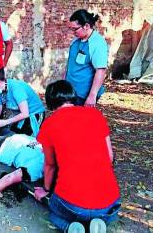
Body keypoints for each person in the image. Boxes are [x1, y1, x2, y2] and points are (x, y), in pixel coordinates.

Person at [34, 80, 121, 233]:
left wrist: (45, 190)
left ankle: (70, 228)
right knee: (103, 212)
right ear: (72, 96)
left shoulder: (49, 124)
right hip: (109, 204)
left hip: (72, 205)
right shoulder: (95, 114)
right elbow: (110, 157)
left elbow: (50, 165)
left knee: (54, 212)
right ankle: (98, 223)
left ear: (50, 101)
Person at [63, 9, 108, 107]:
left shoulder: (97, 43)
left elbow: (100, 71)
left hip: (83, 94)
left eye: (75, 29)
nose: (73, 32)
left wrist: (92, 95)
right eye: (71, 29)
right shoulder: (75, 41)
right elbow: (70, 66)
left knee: (81, 121)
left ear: (86, 26)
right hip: (70, 92)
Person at [0, 70, 45, 137]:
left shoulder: (16, 88)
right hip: (20, 115)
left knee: (26, 140)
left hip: (34, 114)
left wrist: (5, 122)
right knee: (14, 135)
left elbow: (25, 114)